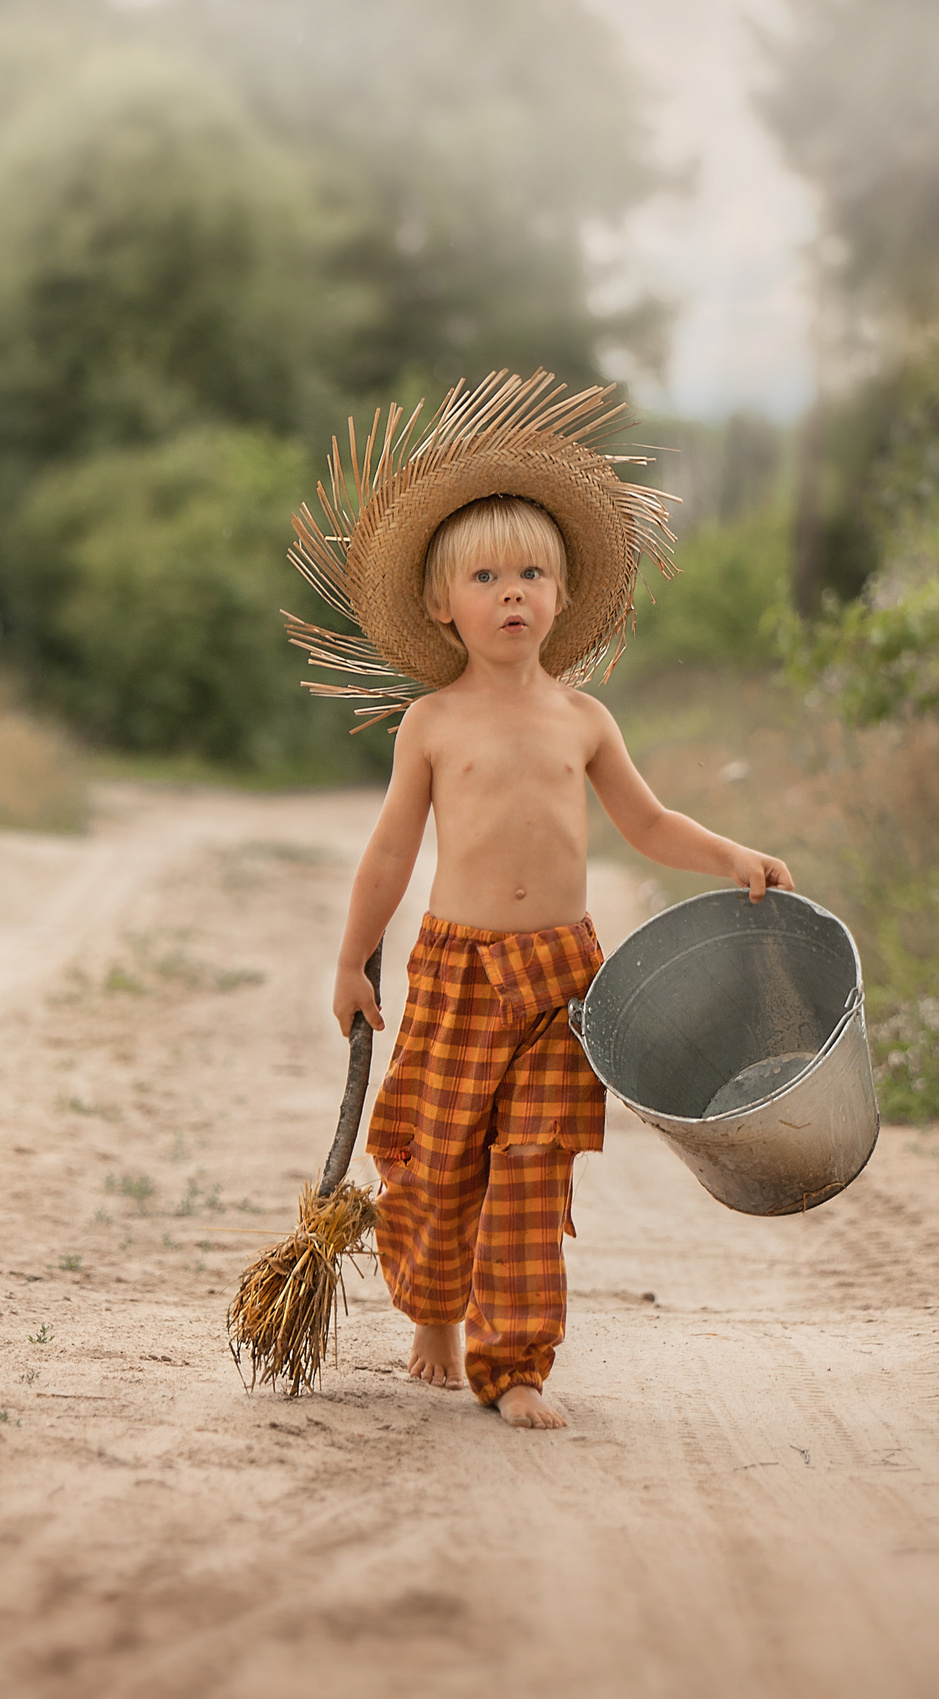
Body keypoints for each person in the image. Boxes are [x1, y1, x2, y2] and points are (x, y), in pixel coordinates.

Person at [286, 377, 789, 1430]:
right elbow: (388, 850)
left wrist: (729, 852)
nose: (512, 591)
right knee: (429, 1161)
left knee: (531, 1163)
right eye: (485, 576)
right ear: (441, 605)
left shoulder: (583, 722)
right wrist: (348, 960)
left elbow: (647, 826)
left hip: (563, 976)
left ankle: (514, 1363)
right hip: (457, 968)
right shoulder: (429, 724)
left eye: (532, 574)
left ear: (561, 599)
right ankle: (433, 1309)